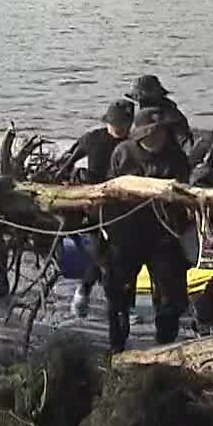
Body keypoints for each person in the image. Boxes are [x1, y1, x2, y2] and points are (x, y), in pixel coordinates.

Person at [104, 108, 193, 350]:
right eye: (153, 132)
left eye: (162, 131)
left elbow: (185, 196)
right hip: (127, 234)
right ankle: (118, 346)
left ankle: (165, 344)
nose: (159, 137)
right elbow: (108, 194)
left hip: (163, 235)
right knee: (117, 295)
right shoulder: (122, 154)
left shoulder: (175, 157)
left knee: (170, 297)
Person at [59, 101, 135, 318]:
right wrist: (67, 183)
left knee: (125, 256)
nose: (119, 128)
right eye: (115, 123)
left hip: (125, 207)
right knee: (101, 254)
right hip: (94, 206)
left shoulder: (134, 143)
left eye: (124, 123)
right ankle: (84, 291)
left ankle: (124, 305)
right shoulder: (93, 139)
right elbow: (68, 160)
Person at [129, 75, 193, 148]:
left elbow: (183, 140)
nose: (137, 102)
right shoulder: (170, 110)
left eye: (138, 97)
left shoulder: (168, 114)